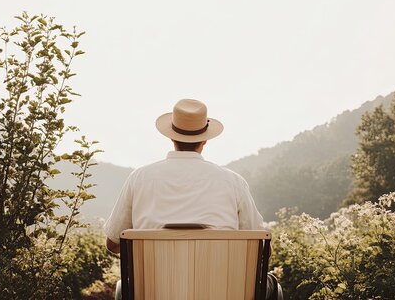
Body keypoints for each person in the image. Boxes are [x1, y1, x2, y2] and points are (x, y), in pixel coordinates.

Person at [104, 99, 282, 300]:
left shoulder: (139, 178)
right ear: (205, 140)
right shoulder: (233, 182)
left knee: (124, 288)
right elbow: (262, 249)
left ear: (171, 137)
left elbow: (113, 244)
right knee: (272, 285)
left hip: (155, 293)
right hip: (223, 293)